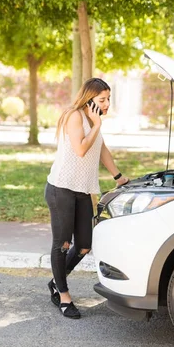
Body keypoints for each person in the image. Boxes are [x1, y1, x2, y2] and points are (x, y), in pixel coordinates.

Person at [44, 78, 129, 319]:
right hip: (61, 189)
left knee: (83, 245)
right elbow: (81, 149)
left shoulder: (93, 122)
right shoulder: (74, 116)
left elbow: (100, 149)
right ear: (89, 99)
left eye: (108, 99)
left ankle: (55, 282)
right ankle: (63, 295)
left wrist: (119, 177)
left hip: (82, 190)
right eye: (102, 100)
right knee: (63, 244)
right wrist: (96, 124)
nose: (107, 103)